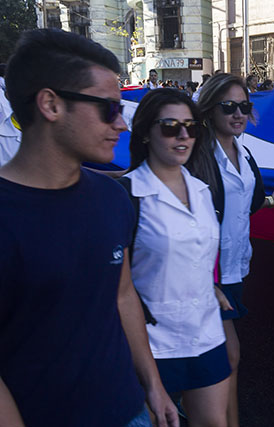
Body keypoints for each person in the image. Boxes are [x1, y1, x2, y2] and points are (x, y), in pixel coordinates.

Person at [0, 28, 178, 427]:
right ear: (50, 104)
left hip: (131, 411)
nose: (121, 124)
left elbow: (123, 294)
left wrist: (153, 385)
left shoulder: (113, 198)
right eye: (109, 109)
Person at [124, 88, 232, 426]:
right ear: (144, 133)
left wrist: (210, 285)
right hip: (153, 345)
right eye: (170, 126)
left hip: (206, 333)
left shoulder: (202, 191)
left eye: (191, 125)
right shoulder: (128, 196)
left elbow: (195, 250)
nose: (183, 135)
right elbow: (117, 286)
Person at [191, 73, 274, 427]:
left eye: (244, 107)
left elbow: (245, 203)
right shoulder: (196, 153)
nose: (238, 114)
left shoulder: (243, 152)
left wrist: (272, 200)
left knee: (219, 357)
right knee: (228, 355)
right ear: (209, 109)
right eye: (229, 106)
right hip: (206, 272)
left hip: (234, 267)